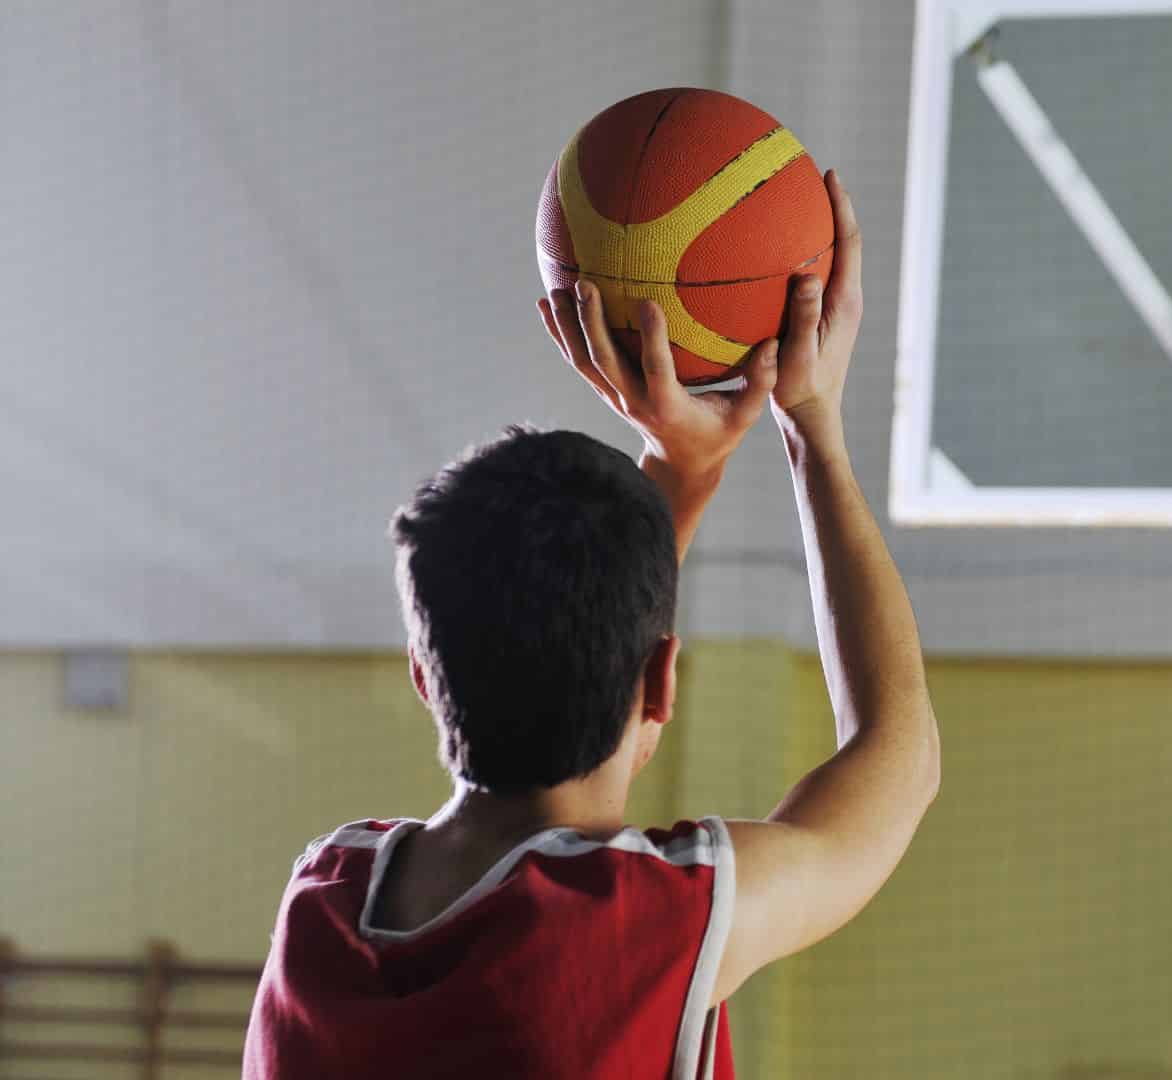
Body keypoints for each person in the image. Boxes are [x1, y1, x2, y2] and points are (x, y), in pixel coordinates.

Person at [243, 172, 940, 1079]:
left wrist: (680, 470)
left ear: (424, 670)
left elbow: (612, 644)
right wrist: (809, 423)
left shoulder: (325, 897)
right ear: (662, 683)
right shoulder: (644, 920)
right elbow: (902, 752)